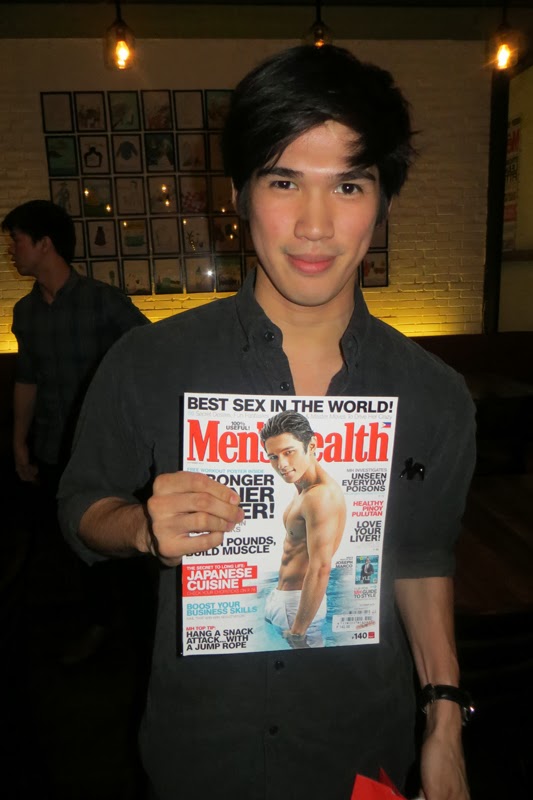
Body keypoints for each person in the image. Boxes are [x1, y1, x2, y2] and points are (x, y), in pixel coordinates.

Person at [58, 46, 475, 799]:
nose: (315, 225)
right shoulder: (148, 361)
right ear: (240, 194)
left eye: (348, 184)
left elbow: (420, 558)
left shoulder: (435, 396)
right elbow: (79, 507)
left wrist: (443, 716)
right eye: (284, 181)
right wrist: (140, 527)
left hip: (360, 756)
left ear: (382, 201)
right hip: (201, 754)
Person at [3, 199, 149, 658]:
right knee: (76, 540)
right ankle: (99, 626)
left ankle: (141, 636)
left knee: (126, 543)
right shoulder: (25, 312)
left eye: (17, 241)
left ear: (44, 244)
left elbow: (149, 357)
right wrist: (18, 442)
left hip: (112, 451)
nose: (11, 251)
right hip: (53, 446)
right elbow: (26, 379)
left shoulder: (103, 301)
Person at [260, 410, 346, 648]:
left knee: (305, 671)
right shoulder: (305, 490)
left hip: (297, 607)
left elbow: (321, 568)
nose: (282, 464)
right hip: (284, 599)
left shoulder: (320, 496)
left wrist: (299, 630)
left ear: (312, 445)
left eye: (289, 452)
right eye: (273, 457)